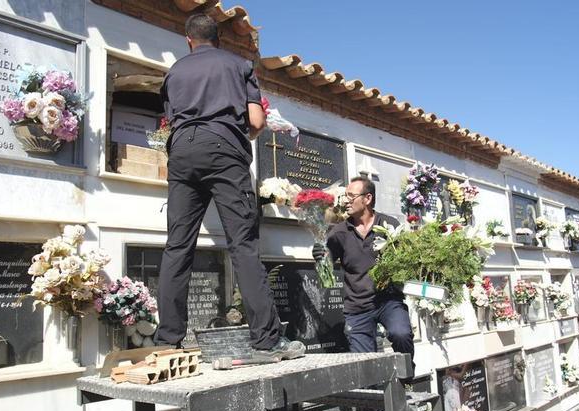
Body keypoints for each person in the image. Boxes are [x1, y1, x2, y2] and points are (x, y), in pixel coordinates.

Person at [155, 14, 303, 360]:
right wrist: (237, 136)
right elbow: (255, 121)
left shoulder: (174, 72)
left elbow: (171, 121)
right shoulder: (239, 66)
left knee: (177, 245)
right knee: (242, 245)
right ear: (217, 39)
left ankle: (168, 339)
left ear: (188, 39)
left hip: (182, 151)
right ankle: (267, 339)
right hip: (224, 150)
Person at [315, 177, 414, 367]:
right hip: (357, 308)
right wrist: (320, 259)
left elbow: (405, 263)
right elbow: (326, 278)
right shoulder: (338, 232)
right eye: (345, 196)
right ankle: (375, 394)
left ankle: (407, 377)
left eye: (351, 196)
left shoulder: (389, 226)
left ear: (367, 199)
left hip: (388, 301)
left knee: (401, 334)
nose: (346, 201)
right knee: (365, 365)